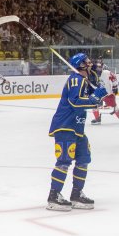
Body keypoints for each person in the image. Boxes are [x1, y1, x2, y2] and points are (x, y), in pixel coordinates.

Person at [47, 53, 107, 211]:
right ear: (80, 65)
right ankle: (53, 196)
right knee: (64, 160)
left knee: (84, 158)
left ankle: (76, 194)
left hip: (77, 128)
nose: (91, 63)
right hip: (65, 126)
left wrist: (96, 98)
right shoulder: (76, 79)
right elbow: (75, 103)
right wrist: (94, 98)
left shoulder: (84, 81)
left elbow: (87, 102)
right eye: (87, 61)